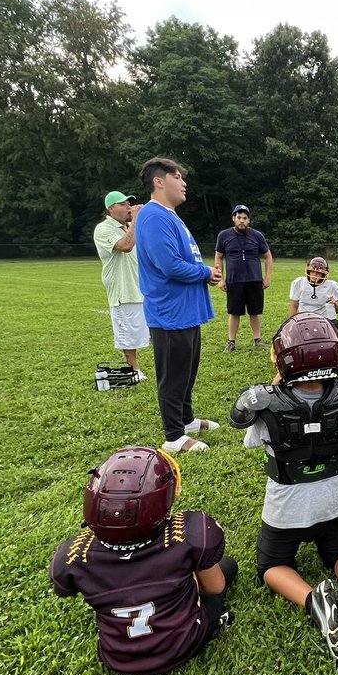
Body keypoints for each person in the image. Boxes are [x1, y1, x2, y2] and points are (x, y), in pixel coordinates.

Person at [229, 314, 338, 662]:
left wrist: (279, 387)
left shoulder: (264, 403)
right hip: (334, 499)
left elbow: (250, 437)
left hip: (287, 504)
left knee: (271, 566)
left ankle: (313, 599)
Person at [49, 446, 237, 675]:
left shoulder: (73, 554)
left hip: (117, 657)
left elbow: (65, 589)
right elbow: (215, 587)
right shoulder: (192, 535)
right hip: (180, 646)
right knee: (226, 570)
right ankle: (214, 621)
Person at [134, 156, 222, 454]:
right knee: (173, 375)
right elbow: (169, 265)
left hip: (186, 310)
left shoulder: (169, 215)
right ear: (160, 181)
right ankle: (174, 437)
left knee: (187, 370)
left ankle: (186, 420)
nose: (184, 183)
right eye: (178, 177)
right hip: (170, 312)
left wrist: (204, 274)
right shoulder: (154, 216)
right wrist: (205, 272)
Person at [93, 190, 149, 379]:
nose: (128, 207)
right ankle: (133, 369)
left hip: (139, 286)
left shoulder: (128, 227)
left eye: (129, 204)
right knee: (128, 331)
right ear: (111, 208)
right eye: (123, 204)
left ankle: (136, 369)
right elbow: (125, 246)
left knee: (141, 329)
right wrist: (135, 220)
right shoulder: (103, 229)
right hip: (122, 289)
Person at [214, 204, 273, 353]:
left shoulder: (257, 235)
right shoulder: (224, 235)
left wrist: (267, 277)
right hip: (234, 280)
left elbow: (268, 256)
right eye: (239, 217)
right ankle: (231, 342)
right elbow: (219, 257)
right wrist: (220, 278)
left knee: (255, 311)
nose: (242, 220)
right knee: (234, 312)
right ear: (233, 218)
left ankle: (258, 340)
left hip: (254, 280)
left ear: (249, 220)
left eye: (245, 218)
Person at [289, 257, 338, 340]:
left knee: (337, 324)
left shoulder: (332, 286)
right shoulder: (299, 283)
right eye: (312, 271)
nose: (314, 275)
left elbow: (337, 311)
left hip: (323, 319)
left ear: (324, 274)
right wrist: (293, 322)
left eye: (318, 273)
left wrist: (335, 303)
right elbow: (294, 306)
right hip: (303, 317)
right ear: (308, 271)